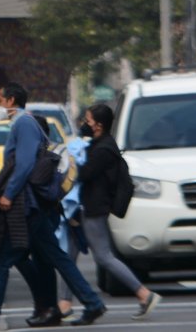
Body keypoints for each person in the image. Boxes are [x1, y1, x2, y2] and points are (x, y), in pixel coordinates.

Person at [0, 83, 105, 330]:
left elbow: (25, 164)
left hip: (27, 205)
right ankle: (88, 303)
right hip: (34, 206)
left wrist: (9, 193)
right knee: (53, 257)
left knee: (2, 259)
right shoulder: (23, 123)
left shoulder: (24, 123)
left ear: (11, 100)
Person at [58, 104, 161, 322]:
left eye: (88, 120)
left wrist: (74, 154)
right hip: (84, 207)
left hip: (94, 208)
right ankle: (64, 304)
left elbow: (83, 173)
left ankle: (144, 294)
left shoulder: (104, 149)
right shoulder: (98, 144)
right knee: (69, 256)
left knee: (104, 257)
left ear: (99, 125)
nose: (84, 123)